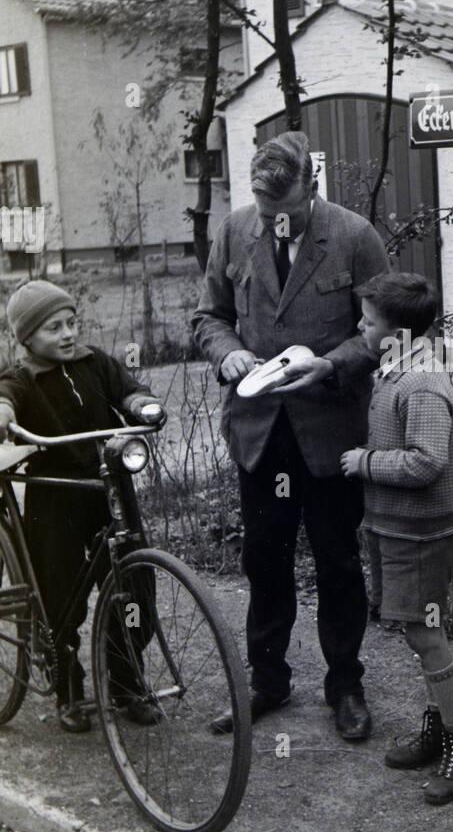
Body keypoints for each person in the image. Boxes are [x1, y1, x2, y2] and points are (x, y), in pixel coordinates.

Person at [193, 131, 389, 740]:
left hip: (330, 428)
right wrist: (226, 355)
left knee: (336, 559)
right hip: (260, 431)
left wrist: (333, 364)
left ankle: (346, 686)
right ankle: (267, 682)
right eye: (265, 210)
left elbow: (386, 329)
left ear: (312, 188)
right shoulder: (233, 231)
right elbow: (209, 317)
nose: (275, 221)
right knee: (265, 559)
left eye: (287, 211)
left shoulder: (354, 236)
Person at [0, 280, 166, 733]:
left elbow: (128, 391)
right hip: (57, 499)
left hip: (110, 489)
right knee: (59, 599)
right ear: (27, 338)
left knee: (136, 588)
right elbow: (6, 400)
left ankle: (127, 683)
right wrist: (3, 414)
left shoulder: (96, 363)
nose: (68, 334)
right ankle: (68, 690)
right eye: (53, 328)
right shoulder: (22, 378)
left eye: (71, 323)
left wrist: (143, 406)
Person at [340, 272, 453, 803]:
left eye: (369, 321)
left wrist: (365, 462)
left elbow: (427, 461)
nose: (360, 326)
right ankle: (440, 727)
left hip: (423, 531)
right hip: (403, 526)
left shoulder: (420, 382)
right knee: (418, 629)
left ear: (398, 333)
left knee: (424, 632)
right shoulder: (397, 370)